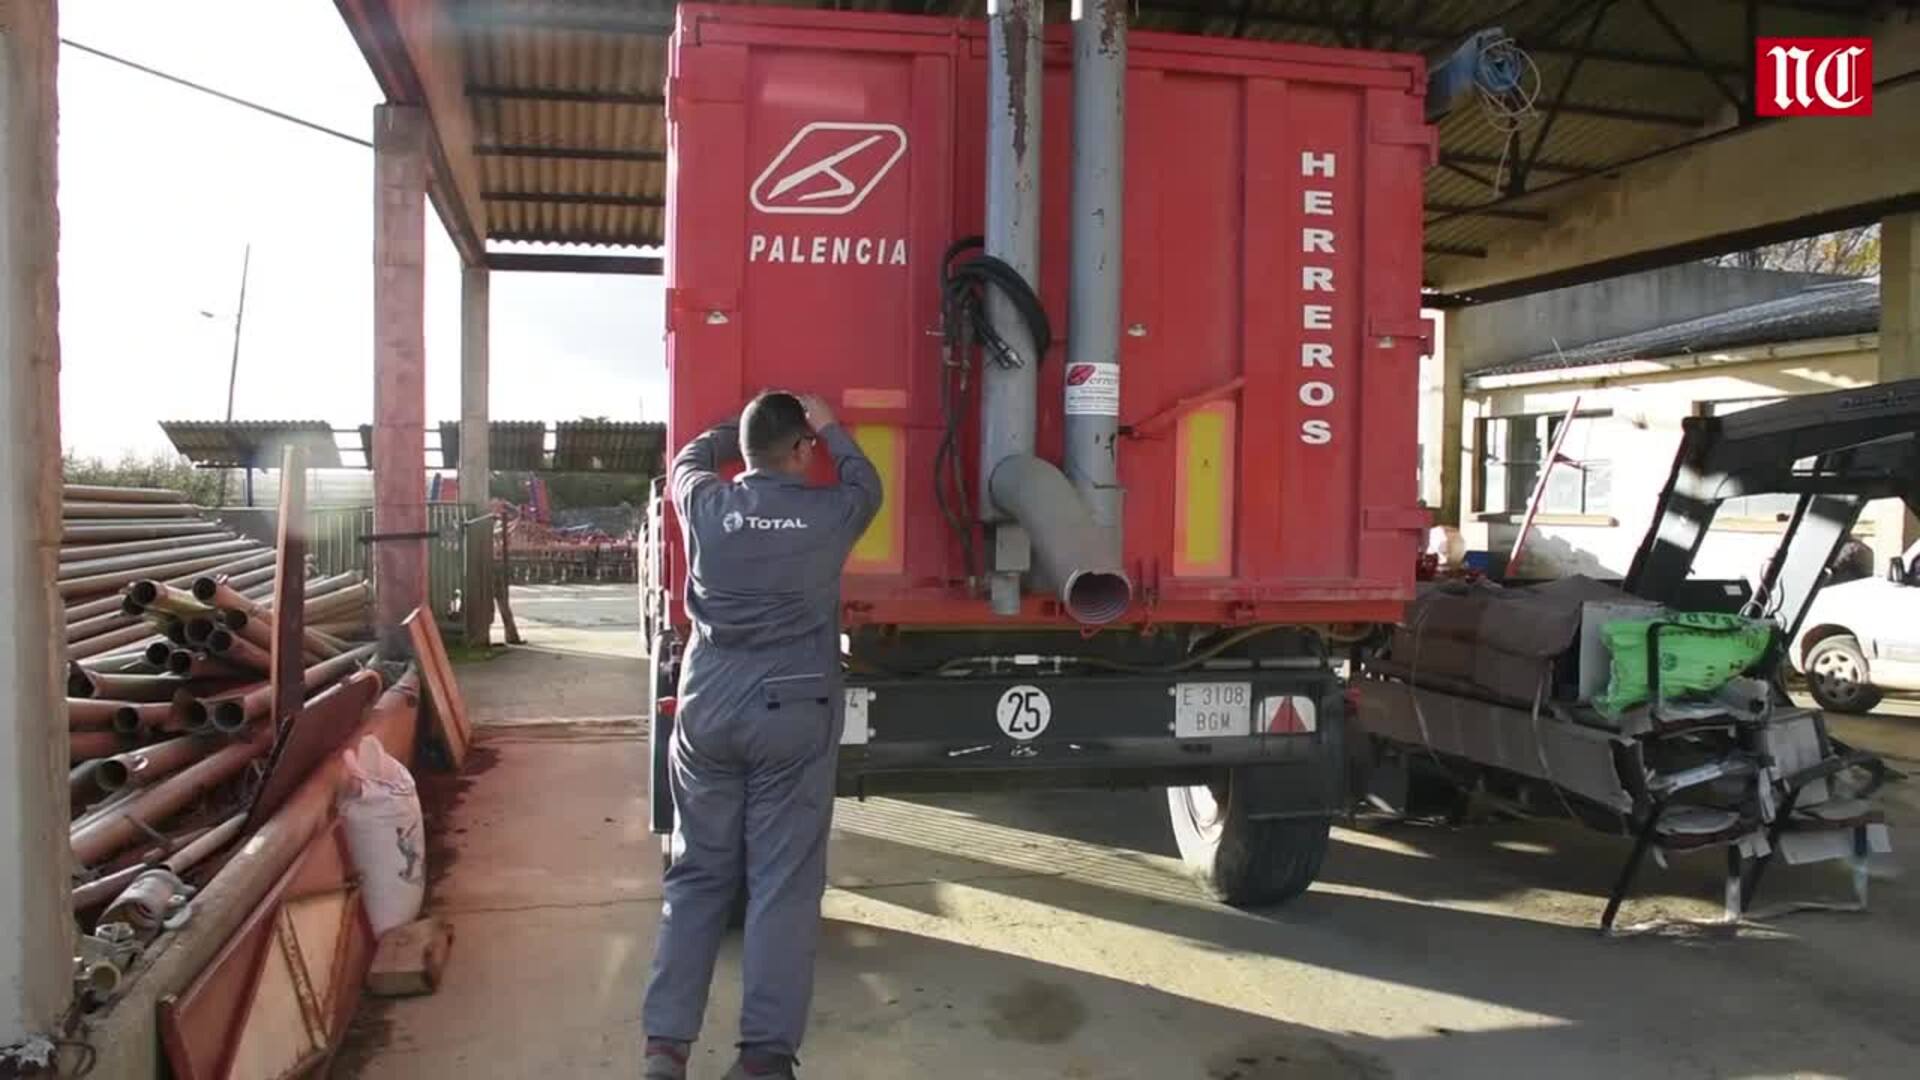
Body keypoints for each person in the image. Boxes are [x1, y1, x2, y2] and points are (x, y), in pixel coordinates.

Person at [644, 391, 882, 1080]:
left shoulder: (705, 506)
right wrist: (830, 422)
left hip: (708, 708)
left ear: (746, 453)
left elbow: (689, 457)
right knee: (782, 882)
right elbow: (868, 483)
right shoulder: (829, 512)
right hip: (791, 711)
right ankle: (763, 1060)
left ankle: (665, 1050)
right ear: (803, 450)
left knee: (696, 877)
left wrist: (735, 432)